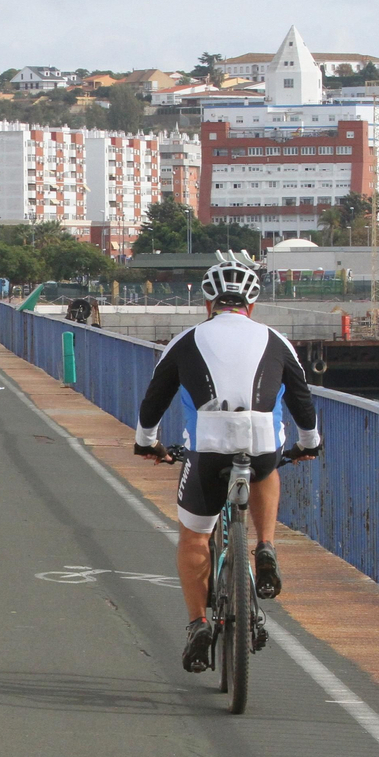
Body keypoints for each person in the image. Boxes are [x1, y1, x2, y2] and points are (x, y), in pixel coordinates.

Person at [132, 254, 321, 673]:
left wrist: (146, 443)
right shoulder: (275, 339)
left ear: (208, 304)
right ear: (251, 306)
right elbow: (301, 400)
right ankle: (266, 546)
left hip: (209, 447)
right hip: (261, 442)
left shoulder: (186, 340)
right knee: (267, 466)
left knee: (195, 537)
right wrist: (311, 442)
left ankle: (199, 624)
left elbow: (154, 400)